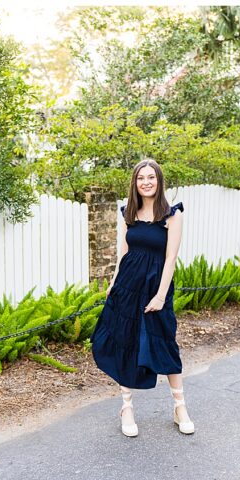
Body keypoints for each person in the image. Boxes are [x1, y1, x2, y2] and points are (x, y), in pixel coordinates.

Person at [90, 159, 193, 437]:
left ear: (159, 181)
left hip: (156, 288)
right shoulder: (129, 213)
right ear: (134, 183)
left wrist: (160, 295)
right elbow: (123, 253)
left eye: (151, 177)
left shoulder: (172, 215)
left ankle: (180, 407)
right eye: (140, 178)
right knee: (124, 341)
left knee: (166, 342)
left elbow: (171, 259)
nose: (146, 182)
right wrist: (114, 283)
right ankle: (126, 408)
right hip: (127, 286)